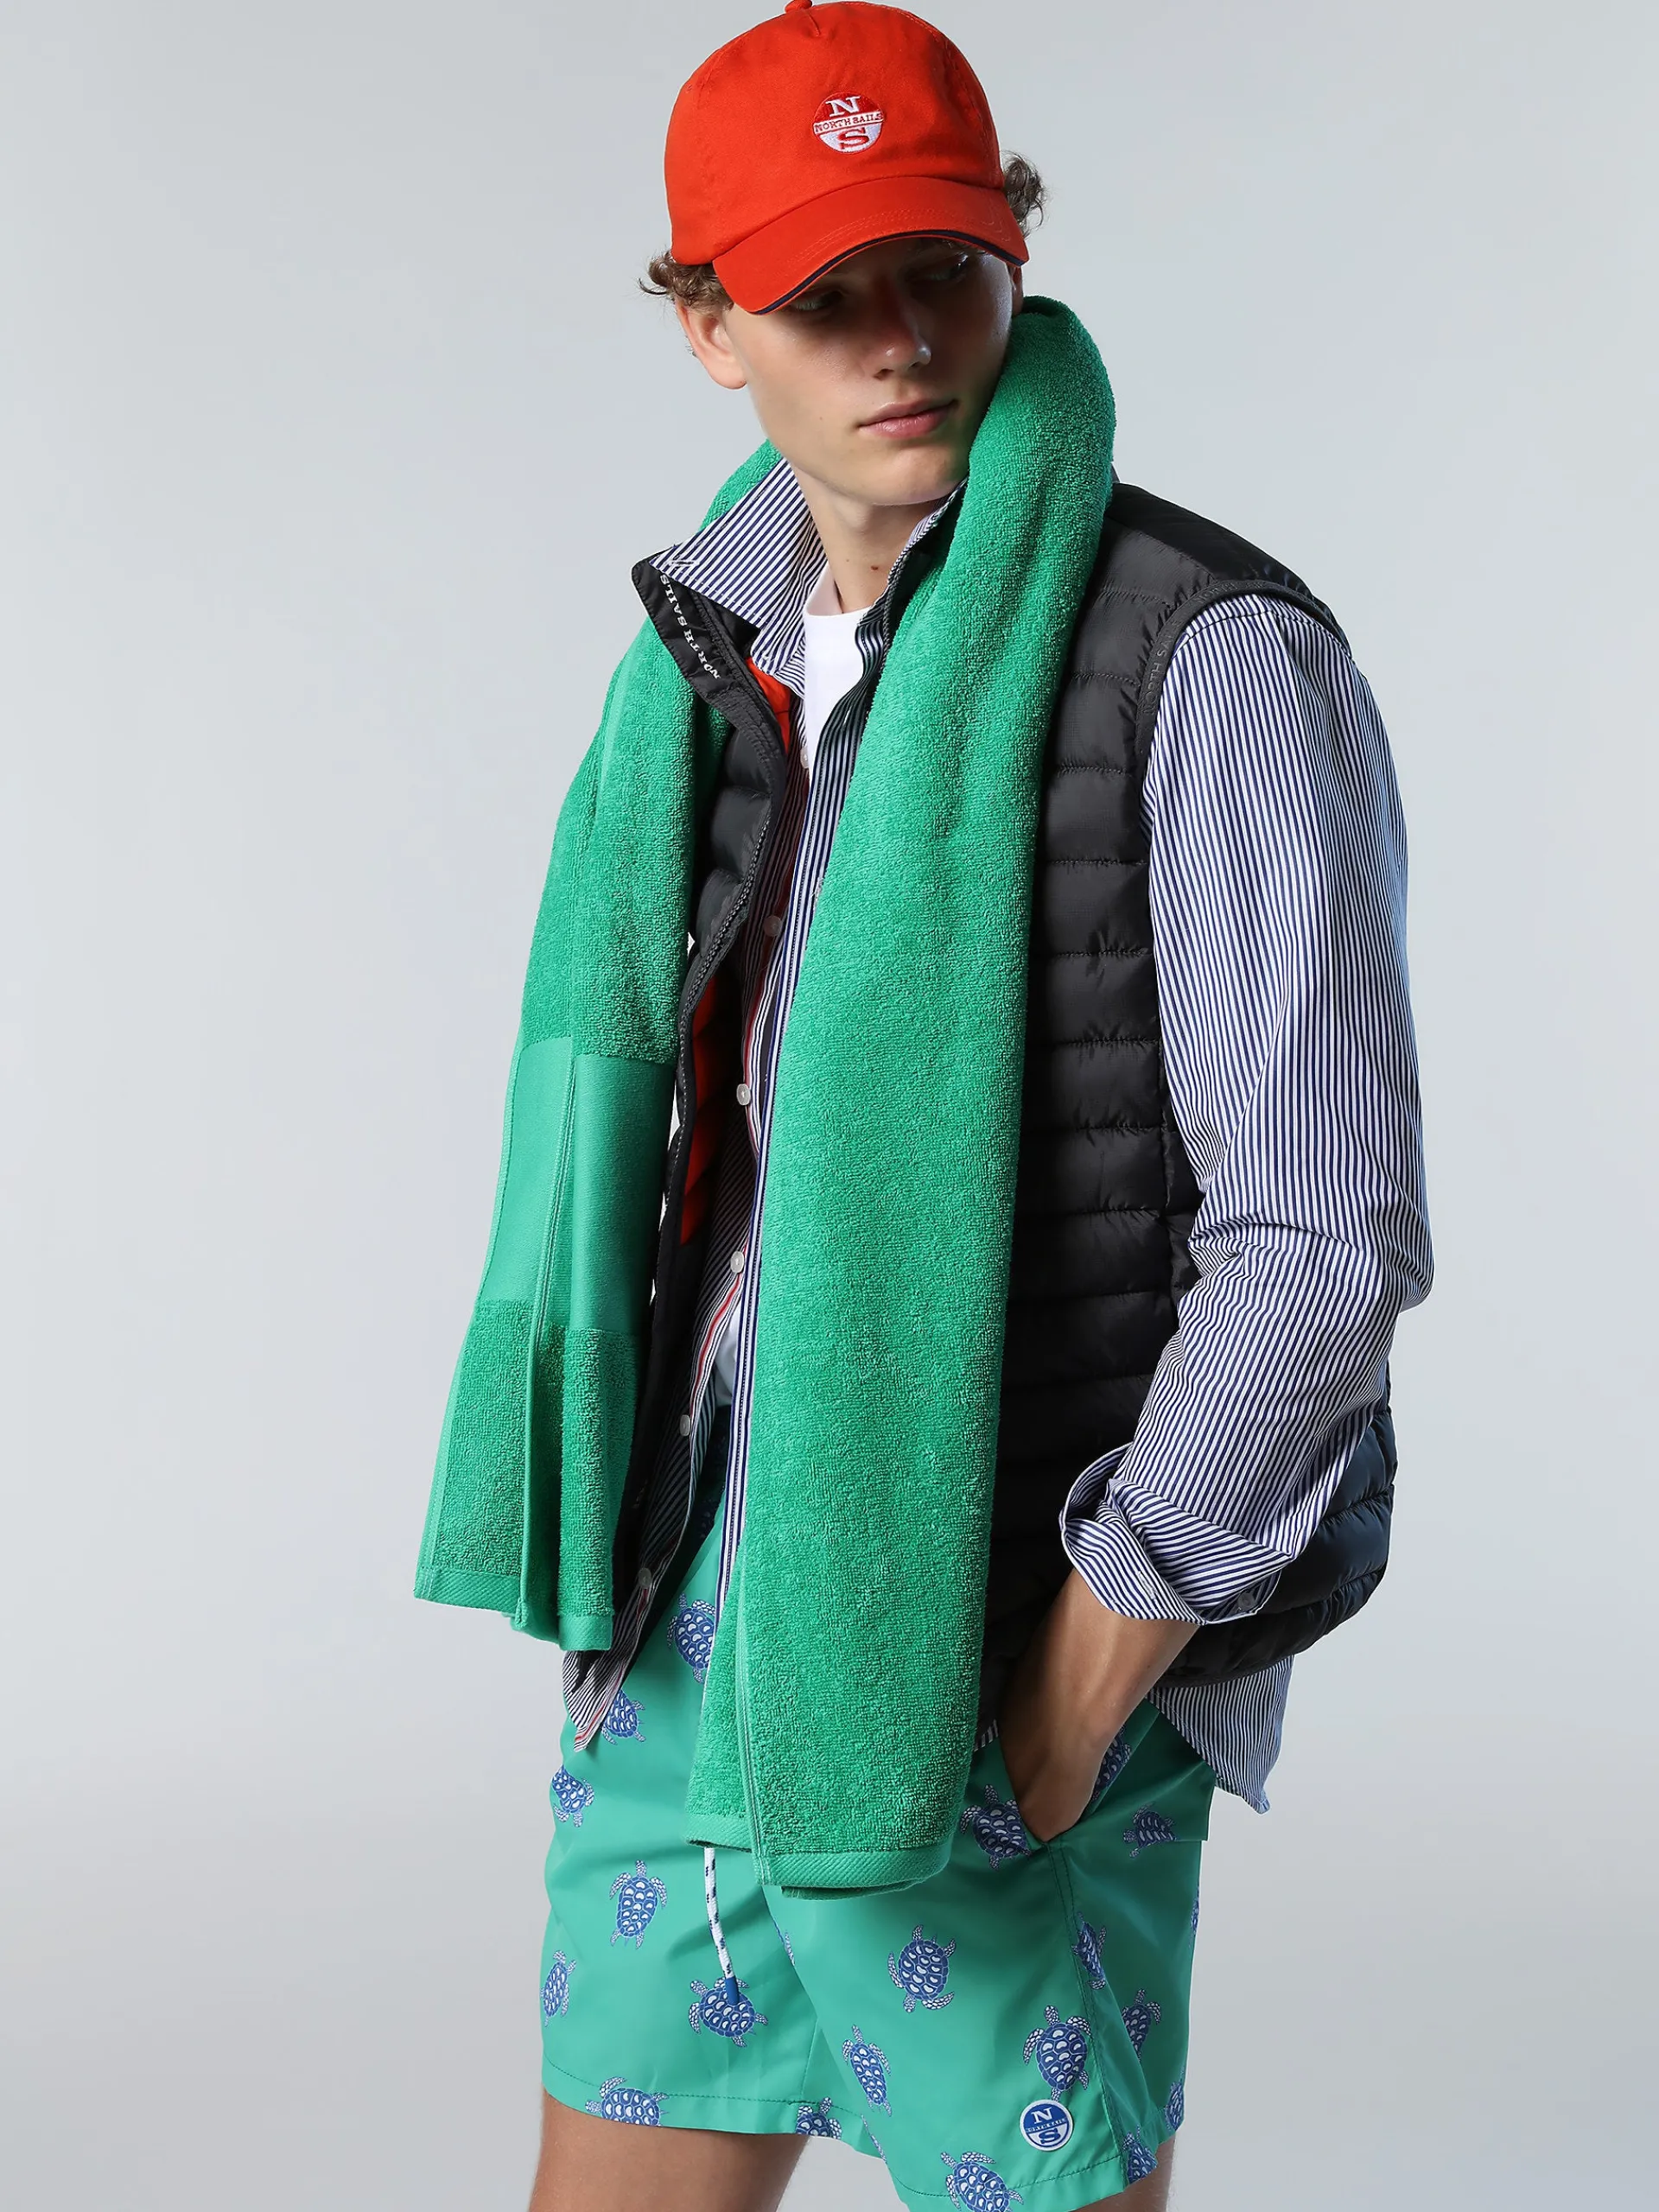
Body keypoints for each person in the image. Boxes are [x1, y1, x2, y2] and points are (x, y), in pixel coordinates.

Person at [413, 5, 1433, 2208]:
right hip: (698, 1623)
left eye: (945, 267)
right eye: (824, 293)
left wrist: (1088, 1665)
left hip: (1001, 1629)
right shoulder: (710, 660)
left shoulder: (1209, 657)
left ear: (1015, 255)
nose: (901, 339)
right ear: (710, 328)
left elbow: (1320, 1241)